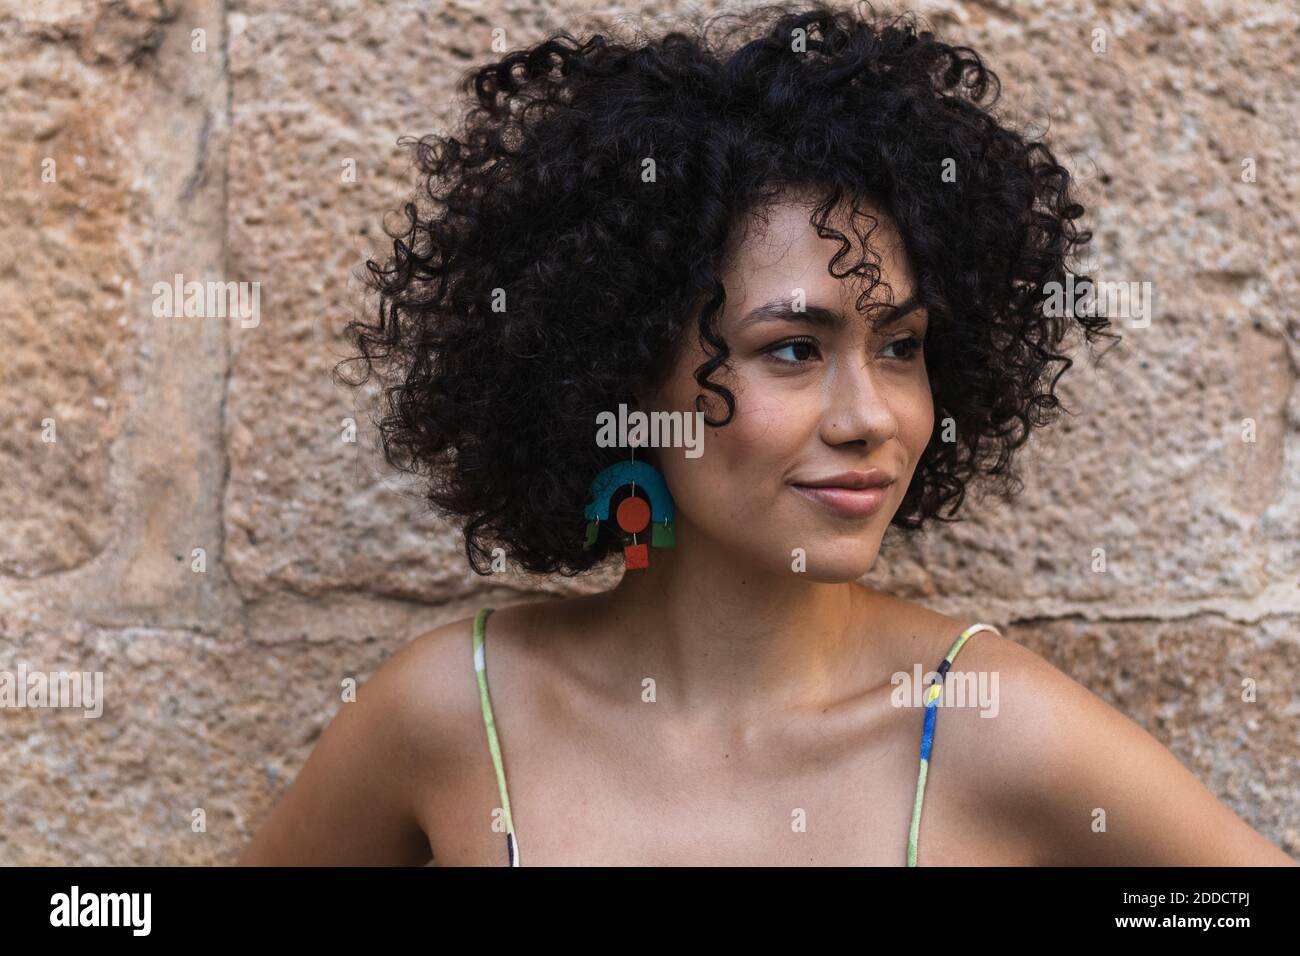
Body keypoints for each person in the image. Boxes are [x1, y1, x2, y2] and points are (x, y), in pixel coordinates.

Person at [238, 3, 1295, 866]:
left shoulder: (989, 725)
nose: (870, 416)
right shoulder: (450, 715)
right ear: (619, 363)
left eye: (901, 346)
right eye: (792, 347)